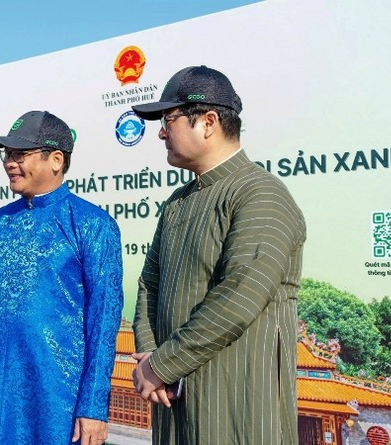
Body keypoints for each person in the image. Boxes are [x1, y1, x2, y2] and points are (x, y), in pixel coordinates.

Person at [130, 65, 306, 445]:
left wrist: (163, 364)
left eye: (169, 119)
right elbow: (149, 284)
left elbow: (240, 295)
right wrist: (147, 355)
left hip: (237, 409)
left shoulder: (261, 194)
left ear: (207, 122)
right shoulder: (178, 203)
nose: (161, 131)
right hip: (174, 405)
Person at [0, 111, 124, 445]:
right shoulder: (1, 221)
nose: (10, 163)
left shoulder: (92, 224)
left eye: (20, 154)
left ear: (56, 160)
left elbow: (104, 323)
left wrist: (94, 405)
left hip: (59, 393)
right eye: (7, 155)